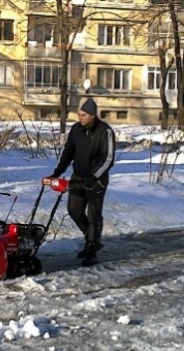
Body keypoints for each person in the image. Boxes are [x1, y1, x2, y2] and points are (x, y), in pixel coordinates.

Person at [49, 98, 115, 267]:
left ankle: (92, 250)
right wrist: (57, 172)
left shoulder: (105, 131)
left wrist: (94, 177)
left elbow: (108, 159)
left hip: (96, 181)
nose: (81, 118)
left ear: (92, 115)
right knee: (74, 210)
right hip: (78, 177)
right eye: (79, 114)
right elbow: (68, 153)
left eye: (84, 115)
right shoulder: (76, 130)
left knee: (94, 215)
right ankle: (91, 239)